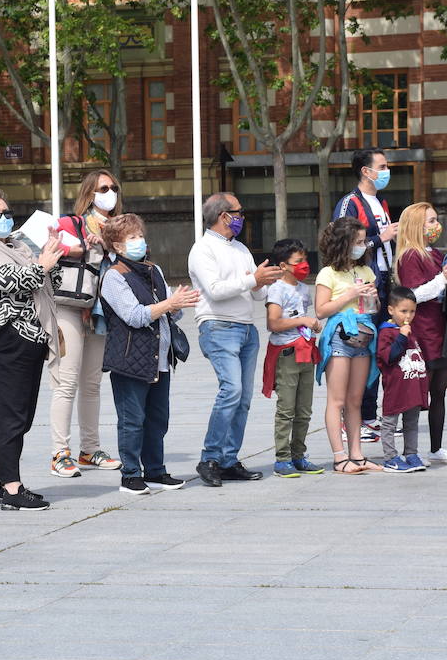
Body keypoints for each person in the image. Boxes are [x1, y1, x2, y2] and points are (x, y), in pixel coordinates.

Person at [0, 189, 64, 510]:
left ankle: (6, 481)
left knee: (22, 416)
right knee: (9, 416)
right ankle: (11, 487)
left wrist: (51, 254)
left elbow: (50, 283)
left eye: (7, 213)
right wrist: (42, 265)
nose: (4, 218)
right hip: (2, 340)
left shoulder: (19, 246)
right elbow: (13, 281)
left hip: (31, 338)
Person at [187, 193, 284, 486]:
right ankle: (210, 458)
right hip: (218, 327)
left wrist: (267, 281)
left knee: (242, 398)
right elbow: (215, 290)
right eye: (238, 212)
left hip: (245, 328)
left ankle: (229, 459)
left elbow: (254, 292)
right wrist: (254, 279)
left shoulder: (241, 248)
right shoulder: (202, 249)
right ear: (223, 215)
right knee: (231, 390)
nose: (243, 216)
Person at [98, 214, 198, 494]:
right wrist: (169, 303)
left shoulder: (154, 270)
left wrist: (180, 303)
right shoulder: (113, 277)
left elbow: (169, 311)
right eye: (131, 238)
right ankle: (130, 475)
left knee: (158, 419)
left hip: (159, 356)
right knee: (132, 420)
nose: (139, 242)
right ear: (117, 246)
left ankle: (155, 471)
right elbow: (134, 316)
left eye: (140, 235)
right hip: (130, 358)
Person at [48, 170, 123, 478]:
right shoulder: (71, 223)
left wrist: (109, 245)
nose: (110, 192)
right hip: (69, 306)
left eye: (114, 187)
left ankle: (89, 449)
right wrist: (78, 248)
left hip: (100, 313)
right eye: (103, 188)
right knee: (66, 382)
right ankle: (59, 453)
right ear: (89, 193)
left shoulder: (121, 227)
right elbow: (38, 244)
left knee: (92, 383)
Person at [333, 147, 399, 441]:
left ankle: (369, 416)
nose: (386, 171)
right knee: (361, 345)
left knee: (379, 347)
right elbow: (341, 242)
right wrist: (378, 239)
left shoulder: (380, 202)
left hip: (384, 281)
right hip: (363, 282)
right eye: (382, 166)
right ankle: (352, 419)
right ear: (366, 171)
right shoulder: (350, 203)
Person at [392, 203, 447, 464]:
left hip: (441, 329)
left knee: (439, 391)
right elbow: (413, 295)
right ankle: (410, 450)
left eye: (435, 220)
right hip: (423, 332)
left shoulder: (434, 253)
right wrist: (443, 279)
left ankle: (437, 447)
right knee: (417, 394)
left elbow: (442, 286)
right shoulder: (411, 256)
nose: (436, 226)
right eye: (431, 221)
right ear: (417, 226)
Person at [315, 217, 380, 474]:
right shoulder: (328, 274)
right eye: (358, 242)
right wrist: (349, 295)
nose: (363, 246)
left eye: (364, 242)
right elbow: (321, 310)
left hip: (363, 334)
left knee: (356, 398)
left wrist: (372, 298)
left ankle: (357, 454)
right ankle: (340, 456)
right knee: (337, 399)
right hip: (340, 336)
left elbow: (373, 308)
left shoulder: (365, 271)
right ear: (343, 244)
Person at [261, 238, 324, 477]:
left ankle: (299, 455)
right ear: (284, 265)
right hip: (286, 353)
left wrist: (312, 327)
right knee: (286, 408)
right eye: (298, 261)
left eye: (305, 260)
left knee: (304, 409)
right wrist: (303, 321)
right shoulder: (277, 289)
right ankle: (282, 458)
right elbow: (273, 323)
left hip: (305, 351)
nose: (304, 265)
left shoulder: (303, 289)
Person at [375, 287, 431, 473]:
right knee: (390, 423)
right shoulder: (388, 333)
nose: (408, 315)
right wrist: (401, 336)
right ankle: (390, 458)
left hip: (413, 387)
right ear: (391, 310)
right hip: (396, 389)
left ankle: (411, 454)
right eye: (403, 311)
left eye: (412, 311)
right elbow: (389, 357)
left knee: (411, 424)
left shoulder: (409, 331)